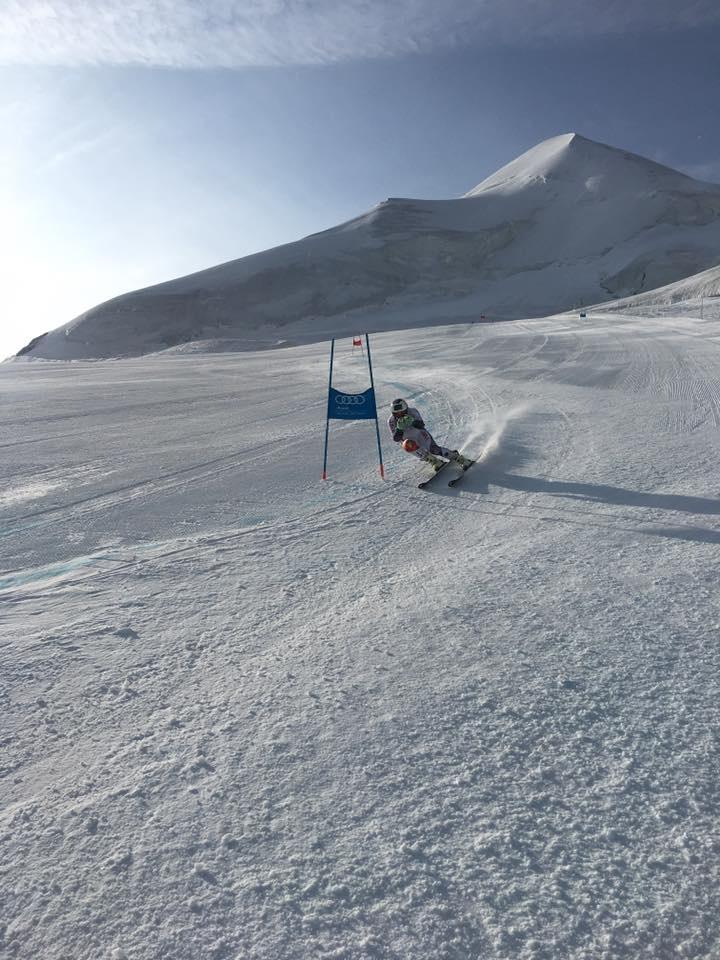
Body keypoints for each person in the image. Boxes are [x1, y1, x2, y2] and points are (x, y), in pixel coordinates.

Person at [387, 398, 471, 470]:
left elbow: (421, 425)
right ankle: (434, 461)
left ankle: (458, 458)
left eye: (401, 412)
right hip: (409, 441)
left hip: (420, 434)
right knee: (407, 445)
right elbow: (396, 438)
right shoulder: (391, 421)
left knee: (433, 449)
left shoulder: (412, 411)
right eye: (397, 413)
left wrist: (412, 422)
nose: (399, 415)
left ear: (405, 409)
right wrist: (399, 429)